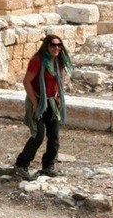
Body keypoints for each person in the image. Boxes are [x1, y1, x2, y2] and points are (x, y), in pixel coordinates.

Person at [14, 34, 73, 181]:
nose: (56, 48)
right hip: (39, 101)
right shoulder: (38, 61)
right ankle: (22, 164)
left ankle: (48, 165)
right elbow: (27, 81)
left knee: (54, 136)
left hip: (52, 101)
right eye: (53, 45)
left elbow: (60, 80)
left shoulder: (59, 61)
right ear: (46, 46)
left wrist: (59, 96)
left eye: (59, 45)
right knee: (38, 135)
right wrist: (35, 103)